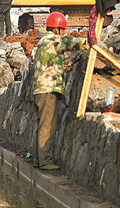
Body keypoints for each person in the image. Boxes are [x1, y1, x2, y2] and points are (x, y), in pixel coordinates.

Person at [31, 12, 87, 170]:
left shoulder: (43, 42)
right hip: (48, 90)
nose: (64, 33)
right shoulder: (54, 40)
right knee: (48, 126)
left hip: (39, 89)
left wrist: (71, 62)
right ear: (57, 29)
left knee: (41, 124)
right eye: (63, 30)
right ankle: (45, 161)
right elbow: (73, 43)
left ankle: (37, 159)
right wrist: (90, 42)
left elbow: (54, 65)